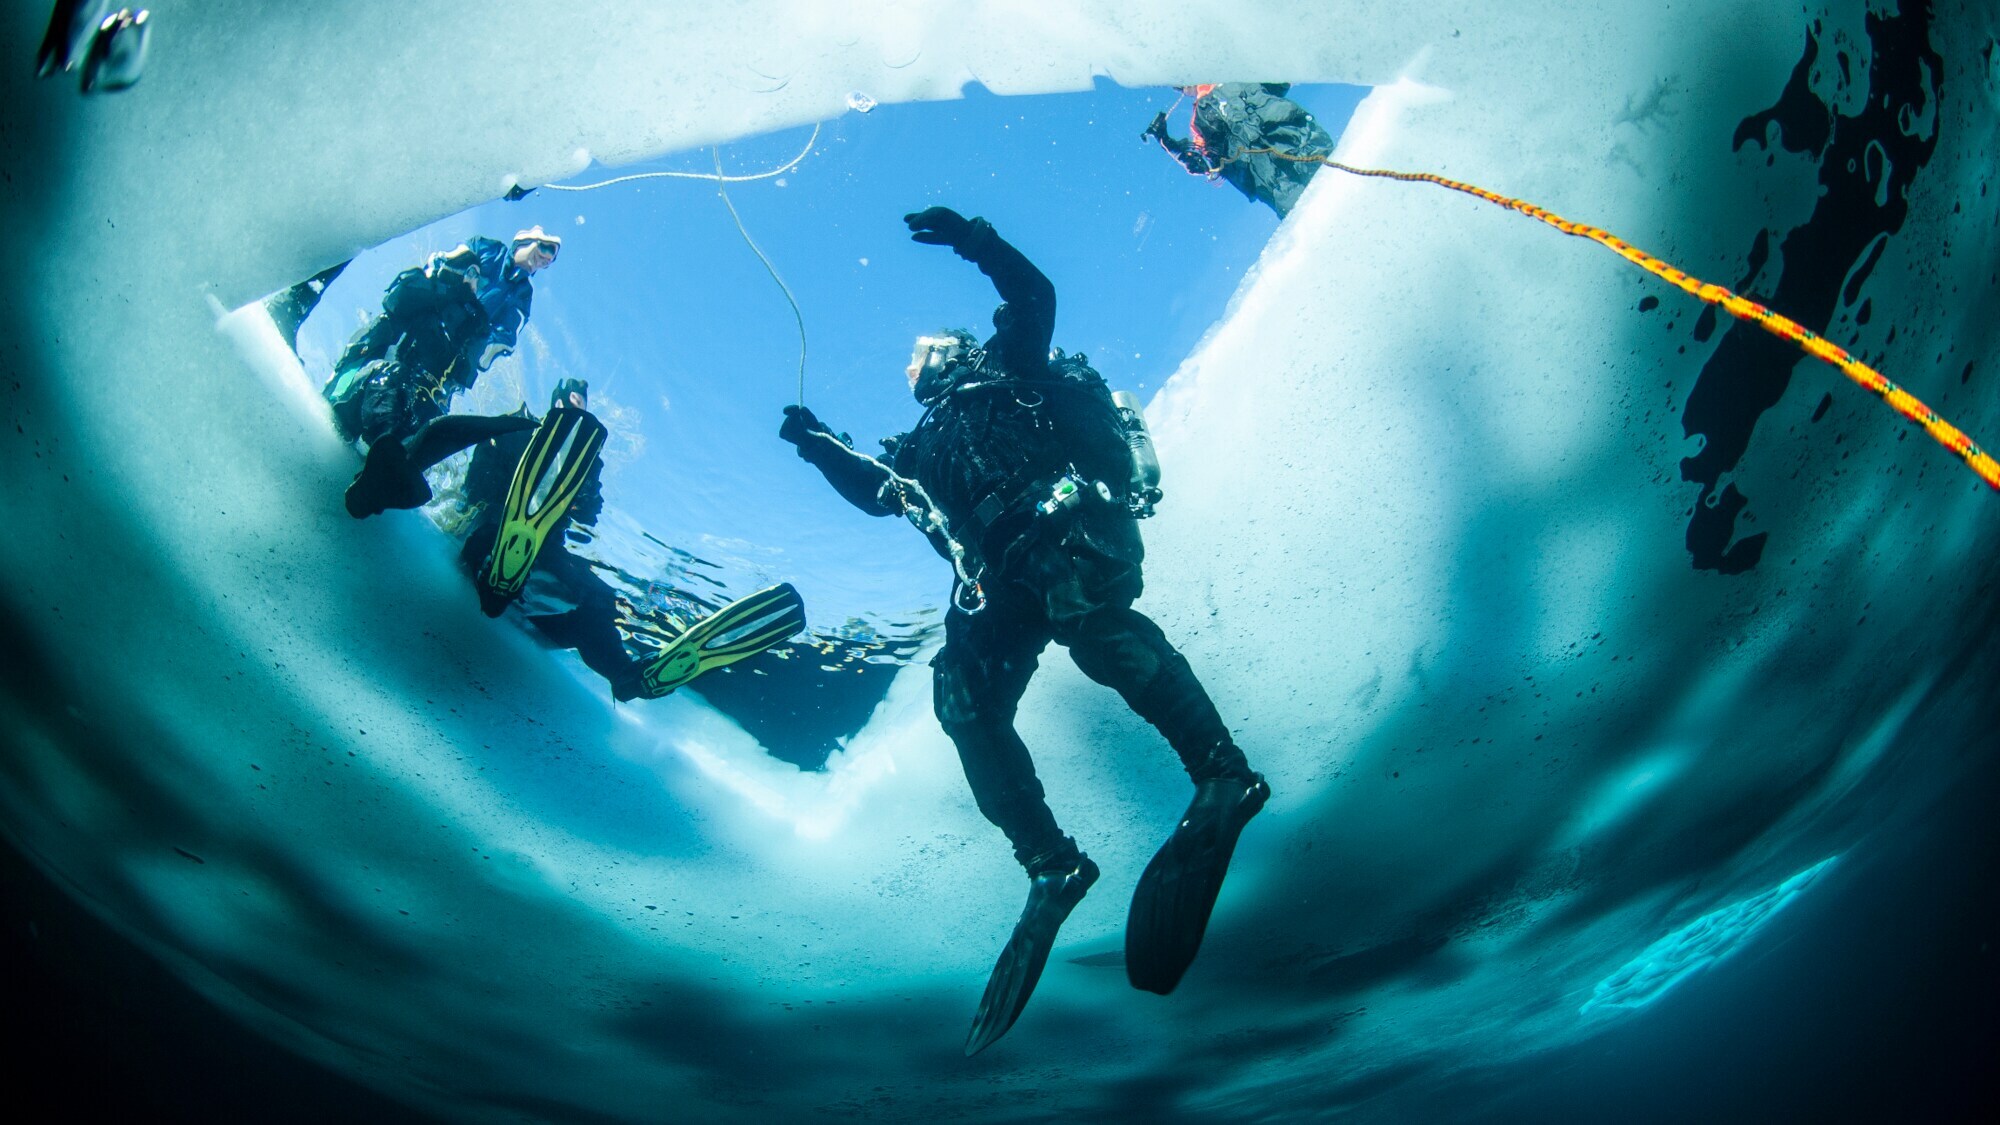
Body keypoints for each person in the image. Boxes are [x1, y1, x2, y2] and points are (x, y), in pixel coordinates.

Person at [779, 207, 1270, 1054]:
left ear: (948, 353)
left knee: (1094, 624)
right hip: (996, 584)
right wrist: (817, 442)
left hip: (1066, 539)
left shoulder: (1007, 366)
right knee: (962, 701)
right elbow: (875, 490)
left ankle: (1223, 773)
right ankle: (1052, 864)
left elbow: (1034, 293)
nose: (908, 369)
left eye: (916, 355)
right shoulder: (917, 446)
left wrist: (976, 239)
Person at [322, 226, 560, 445]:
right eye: (542, 249)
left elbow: (503, 341)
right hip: (422, 321)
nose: (542, 261)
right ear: (524, 240)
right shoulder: (488, 249)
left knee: (426, 402)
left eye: (548, 262)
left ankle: (398, 443)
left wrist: (475, 338)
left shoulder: (522, 294)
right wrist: (460, 287)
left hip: (448, 355)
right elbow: (443, 265)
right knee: (387, 355)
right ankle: (344, 395)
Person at [1143, 83, 1333, 217]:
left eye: (1182, 85)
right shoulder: (1199, 120)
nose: (1185, 90)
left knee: (1333, 180)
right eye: (1181, 87)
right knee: (1306, 212)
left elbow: (1281, 81)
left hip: (1300, 144)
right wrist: (1166, 141)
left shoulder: (1239, 75)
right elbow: (1201, 162)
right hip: (1272, 178)